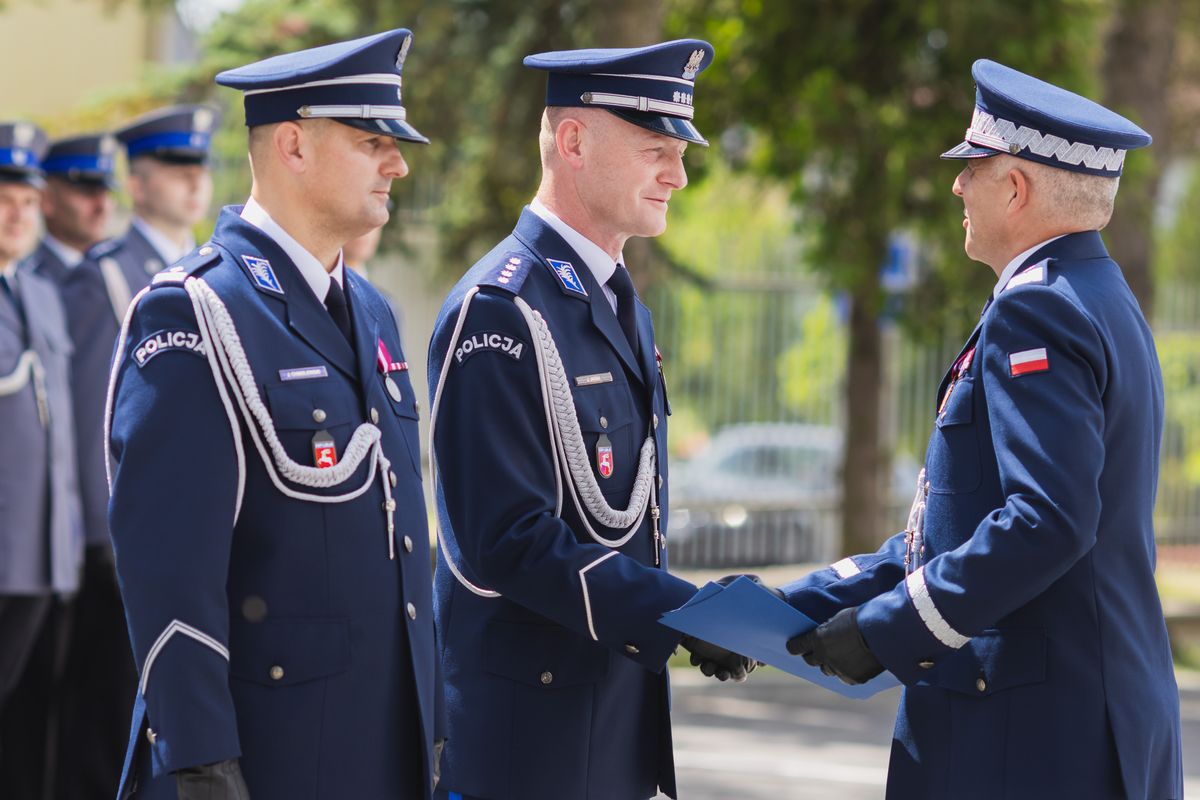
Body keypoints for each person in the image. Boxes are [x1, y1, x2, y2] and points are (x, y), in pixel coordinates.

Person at [775, 59, 1183, 799]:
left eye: (972, 168)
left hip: (1029, 739)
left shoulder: (1038, 309)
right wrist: (791, 607)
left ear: (1016, 188)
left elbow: (1048, 522)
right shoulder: (1100, 295)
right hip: (1079, 719)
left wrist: (889, 631)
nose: (958, 186)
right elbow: (949, 532)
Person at [106, 28, 441, 798]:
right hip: (266, 759)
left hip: (380, 749)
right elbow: (168, 572)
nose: (398, 164)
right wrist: (201, 760)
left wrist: (433, 731)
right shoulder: (195, 310)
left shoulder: (373, 311)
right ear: (293, 145)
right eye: (372, 142)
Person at [428, 40, 752, 800]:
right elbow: (506, 539)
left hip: (609, 730)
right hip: (525, 745)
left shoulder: (615, 299)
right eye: (655, 150)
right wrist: (683, 612)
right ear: (572, 142)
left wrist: (703, 609)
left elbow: (626, 522)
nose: (677, 175)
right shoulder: (501, 308)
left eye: (680, 153)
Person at [54, 111, 217, 800]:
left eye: (200, 168)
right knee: (108, 729)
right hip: (121, 553)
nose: (194, 182)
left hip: (196, 542)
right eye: (176, 170)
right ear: (139, 185)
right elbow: (91, 419)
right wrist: (103, 540)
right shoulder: (106, 277)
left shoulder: (211, 271)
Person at [0, 122, 83, 795]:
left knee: (32, 737)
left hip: (48, 557)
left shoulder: (41, 294)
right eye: (4, 200)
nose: (18, 215)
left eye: (29, 201)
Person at [31, 132, 117, 284]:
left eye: (106, 193)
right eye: (87, 193)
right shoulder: (32, 277)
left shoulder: (116, 267)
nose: (102, 207)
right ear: (47, 199)